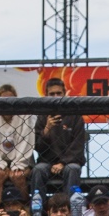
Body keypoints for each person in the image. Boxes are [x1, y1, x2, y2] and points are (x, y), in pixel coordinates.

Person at [32, 77, 87, 205]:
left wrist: (63, 163)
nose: (56, 97)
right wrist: (46, 130)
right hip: (46, 162)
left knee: (72, 169)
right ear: (46, 95)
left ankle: (70, 210)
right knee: (38, 170)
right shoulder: (42, 116)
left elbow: (78, 146)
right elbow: (37, 147)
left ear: (64, 93)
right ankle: (39, 211)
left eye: (58, 93)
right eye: (52, 94)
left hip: (69, 162)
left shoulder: (75, 115)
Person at [0, 84, 34, 213]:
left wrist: (18, 165)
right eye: (3, 100)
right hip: (0, 159)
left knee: (18, 175)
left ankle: (25, 212)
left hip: (23, 159)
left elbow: (26, 142)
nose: (7, 103)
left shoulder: (24, 116)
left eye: (10, 100)